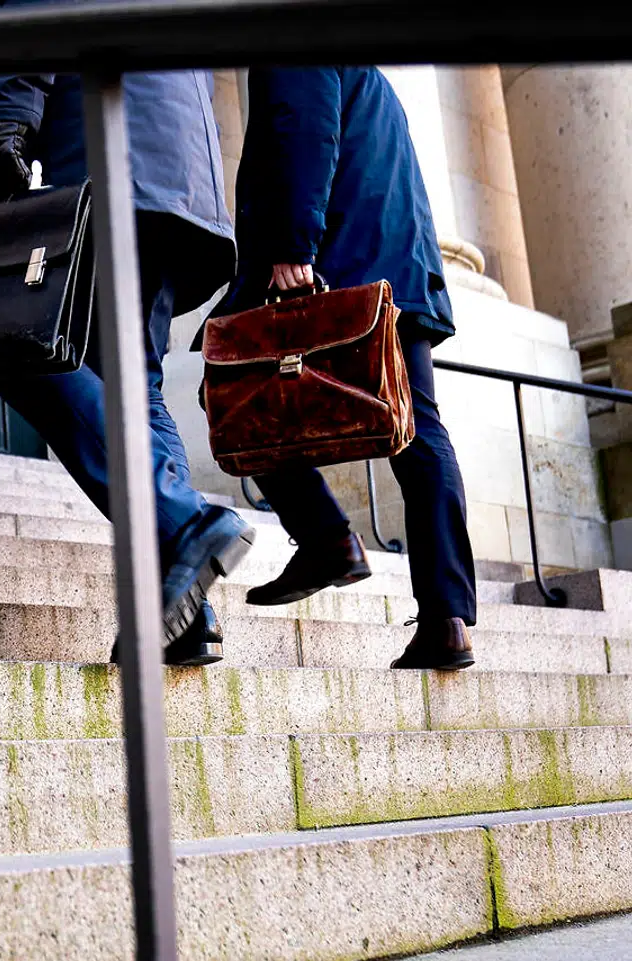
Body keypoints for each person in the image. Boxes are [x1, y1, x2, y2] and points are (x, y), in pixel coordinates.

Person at [0, 0, 254, 667]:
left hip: (110, 152)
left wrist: (6, 122)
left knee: (5, 338)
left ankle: (185, 520)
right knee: (135, 384)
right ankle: (186, 611)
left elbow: (34, 13)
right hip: (179, 178)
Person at [215, 66, 477, 670]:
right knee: (419, 431)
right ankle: (447, 620)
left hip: (339, 263)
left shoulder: (295, 30)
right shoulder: (368, 71)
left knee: (236, 394)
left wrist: (294, 244)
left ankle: (327, 539)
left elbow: (306, 128)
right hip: (396, 269)